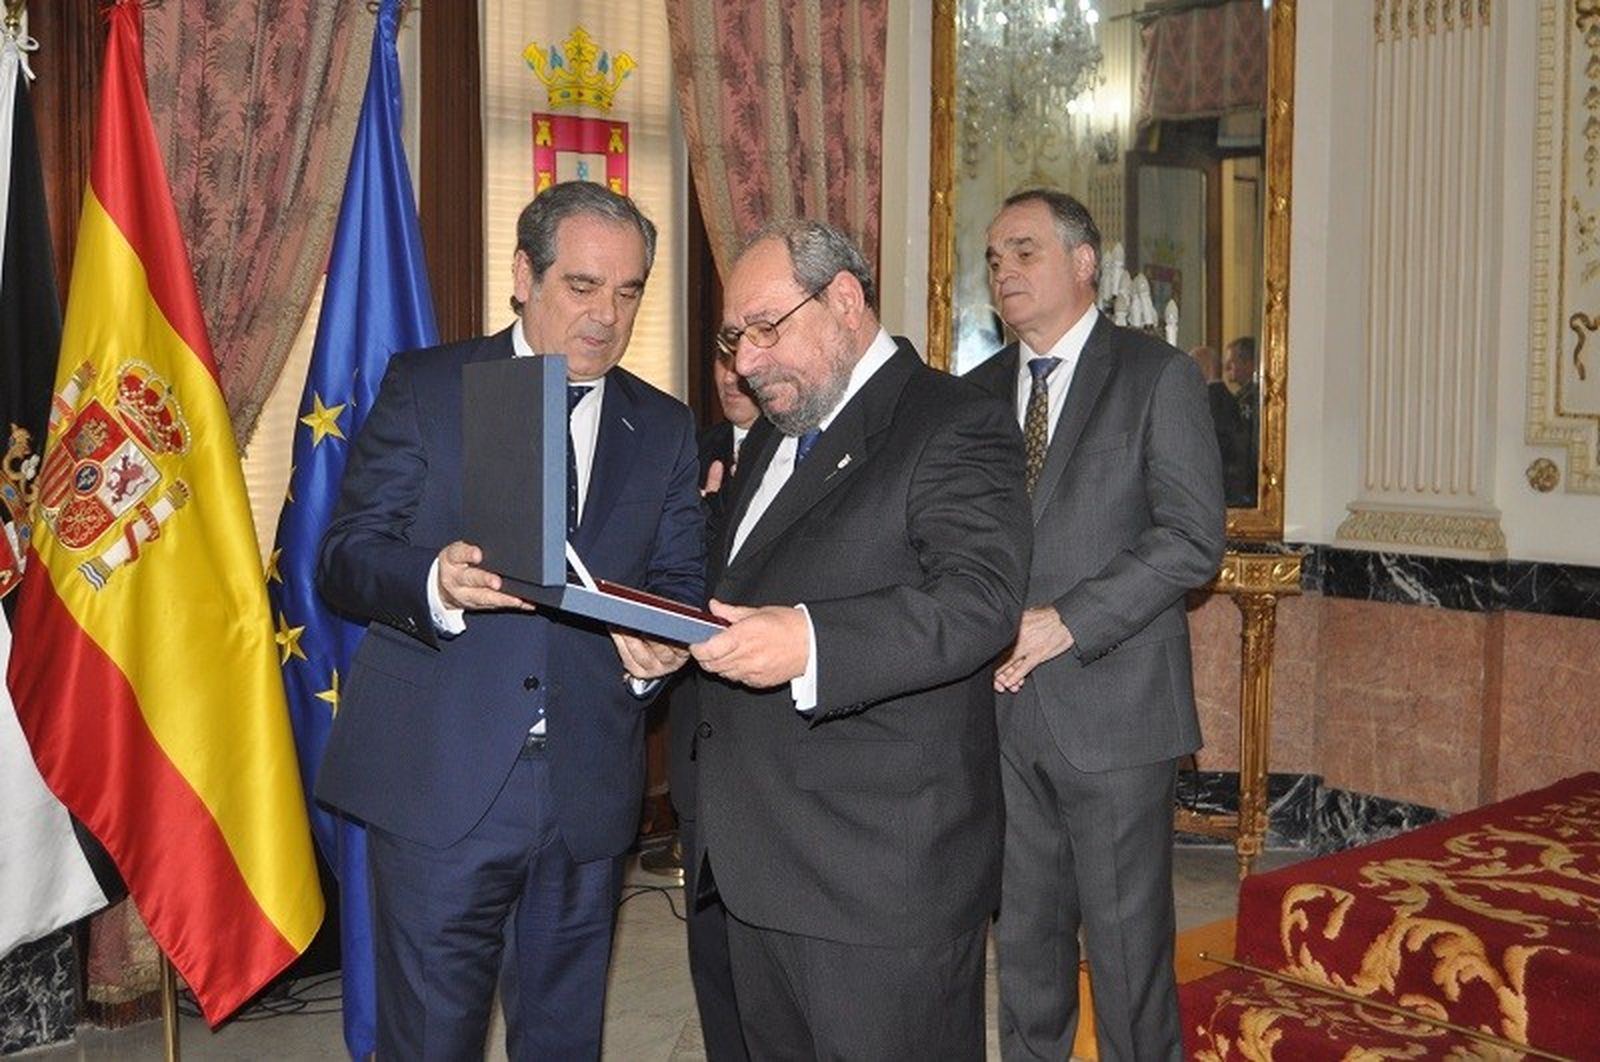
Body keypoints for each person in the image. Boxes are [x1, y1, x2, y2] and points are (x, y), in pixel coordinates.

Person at [314, 181, 705, 1059]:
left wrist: (656, 655)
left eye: (630, 290)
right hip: (441, 782)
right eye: (582, 286)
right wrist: (435, 583)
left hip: (587, 792)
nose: (607, 315)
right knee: (430, 1042)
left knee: (564, 1042)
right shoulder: (430, 386)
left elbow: (678, 580)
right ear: (524, 275)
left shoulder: (666, 425)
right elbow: (343, 556)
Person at [688, 218, 1031, 1060]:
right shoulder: (773, 431)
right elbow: (744, 589)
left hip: (879, 882)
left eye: (766, 330)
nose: (746, 362)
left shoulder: (953, 420)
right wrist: (673, 636)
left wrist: (811, 644)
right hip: (753, 863)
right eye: (735, 338)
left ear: (844, 300)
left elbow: (980, 599)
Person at [966, 189, 1225, 1062]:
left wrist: (1066, 621)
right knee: (1027, 952)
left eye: (1025, 251)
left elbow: (1194, 539)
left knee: (1127, 959)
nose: (1005, 270)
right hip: (1001, 716)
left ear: (1084, 262)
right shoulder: (971, 396)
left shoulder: (1155, 376)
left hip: (1116, 714)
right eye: (995, 257)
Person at [666, 345, 760, 1062]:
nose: (731, 375)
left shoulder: (817, 455)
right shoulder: (681, 454)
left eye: (745, 361)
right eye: (721, 360)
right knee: (713, 945)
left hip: (785, 741)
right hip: (701, 735)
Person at [1210, 336, 1260, 506]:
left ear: (1249, 363)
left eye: (1231, 363)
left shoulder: (1254, 399)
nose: (1226, 369)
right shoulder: (1239, 398)